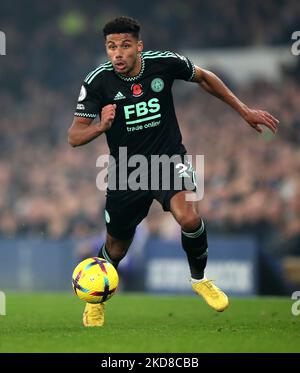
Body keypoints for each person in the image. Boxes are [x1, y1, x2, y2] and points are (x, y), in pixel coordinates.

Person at [68, 16, 279, 327]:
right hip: (127, 171)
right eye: (112, 47)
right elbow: (74, 136)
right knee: (116, 246)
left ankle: (199, 279)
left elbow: (205, 78)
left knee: (189, 217)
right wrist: (102, 126)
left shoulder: (164, 63)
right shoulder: (97, 81)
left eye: (125, 46)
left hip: (169, 161)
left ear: (139, 46)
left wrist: (244, 109)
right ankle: (97, 301)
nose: (118, 53)